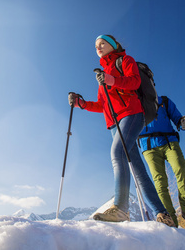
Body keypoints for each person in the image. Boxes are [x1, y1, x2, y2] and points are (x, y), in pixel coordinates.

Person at [68, 34, 175, 227]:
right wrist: (81, 104)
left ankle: (121, 208)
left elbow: (134, 82)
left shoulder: (125, 60)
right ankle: (162, 215)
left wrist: (111, 80)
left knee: (117, 153)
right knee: (137, 169)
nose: (98, 47)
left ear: (113, 45)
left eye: (102, 43)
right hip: (113, 124)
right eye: (96, 45)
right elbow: (102, 105)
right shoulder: (103, 73)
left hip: (132, 114)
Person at [137, 95, 185, 229]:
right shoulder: (134, 101)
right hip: (148, 146)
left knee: (181, 168)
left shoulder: (163, 101)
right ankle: (170, 220)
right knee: (160, 182)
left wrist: (182, 122)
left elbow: (177, 118)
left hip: (169, 141)